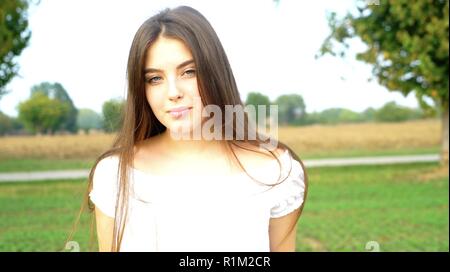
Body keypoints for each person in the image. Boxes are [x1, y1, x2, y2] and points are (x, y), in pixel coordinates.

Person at [71, 5, 308, 252]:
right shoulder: (115, 173)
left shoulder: (275, 170)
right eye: (155, 78)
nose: (173, 92)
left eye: (189, 72)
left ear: (215, 73)